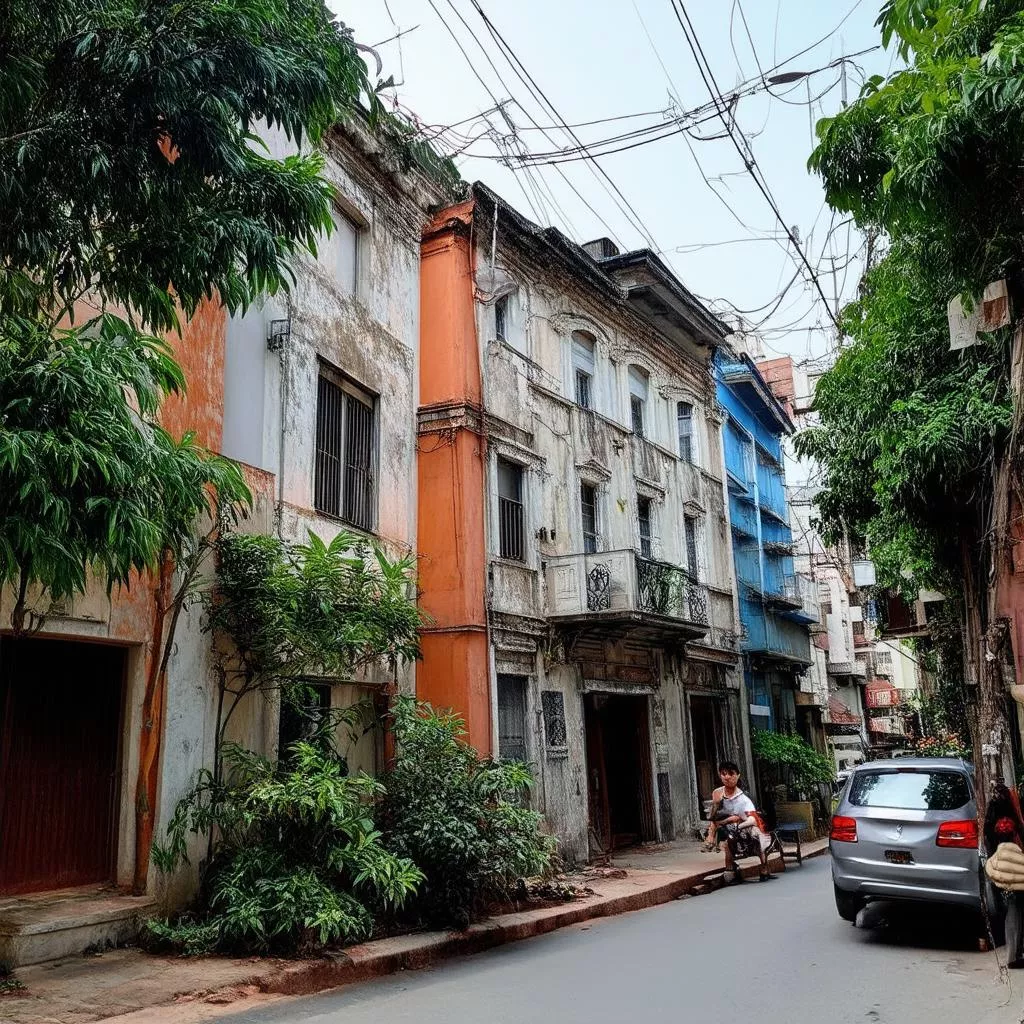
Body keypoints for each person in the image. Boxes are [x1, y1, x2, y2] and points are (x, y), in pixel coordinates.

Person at [703, 760, 775, 883]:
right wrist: (716, 807)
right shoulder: (717, 793)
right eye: (724, 774)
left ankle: (764, 867)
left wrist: (734, 823)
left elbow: (750, 819)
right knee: (727, 841)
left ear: (737, 776)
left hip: (743, 826)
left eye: (731, 774)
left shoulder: (744, 800)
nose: (727, 777)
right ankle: (730, 870)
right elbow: (713, 817)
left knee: (757, 837)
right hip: (724, 826)